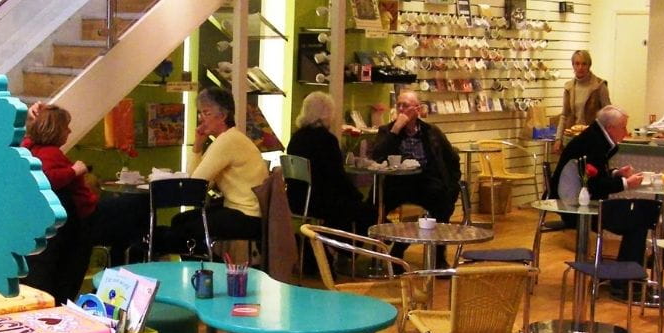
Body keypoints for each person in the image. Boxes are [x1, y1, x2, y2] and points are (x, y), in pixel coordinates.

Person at [21, 103, 146, 301]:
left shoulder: (30, 149)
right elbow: (49, 177)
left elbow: (27, 144)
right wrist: (75, 170)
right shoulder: (50, 154)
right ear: (56, 130)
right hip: (83, 217)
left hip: (78, 218)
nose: (70, 131)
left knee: (128, 214)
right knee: (138, 207)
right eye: (66, 127)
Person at [166, 86, 268, 255]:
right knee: (180, 221)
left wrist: (197, 148)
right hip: (244, 212)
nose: (201, 119)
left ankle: (204, 268)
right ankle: (203, 267)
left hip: (246, 216)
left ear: (222, 116)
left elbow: (194, 186)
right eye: (200, 113)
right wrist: (197, 145)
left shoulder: (227, 141)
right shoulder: (230, 138)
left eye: (206, 113)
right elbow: (197, 182)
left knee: (184, 227)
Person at [286, 91, 375, 235]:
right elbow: (337, 177)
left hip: (296, 200)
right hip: (319, 201)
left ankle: (330, 249)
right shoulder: (327, 140)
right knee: (367, 212)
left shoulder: (296, 138)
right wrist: (356, 195)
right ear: (327, 114)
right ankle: (337, 249)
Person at [370, 91, 461, 225]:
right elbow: (377, 156)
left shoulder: (431, 132)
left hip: (426, 181)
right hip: (397, 183)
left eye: (405, 106)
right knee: (371, 206)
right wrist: (395, 130)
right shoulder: (387, 130)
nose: (401, 109)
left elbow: (452, 159)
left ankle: (437, 243)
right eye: (398, 105)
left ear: (417, 109)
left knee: (441, 200)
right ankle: (394, 239)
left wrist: (452, 187)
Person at [559, 49, 611, 137]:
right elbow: (564, 115)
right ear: (573, 65)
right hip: (572, 137)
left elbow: (608, 114)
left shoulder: (599, 85)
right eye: (577, 63)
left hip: (593, 138)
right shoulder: (569, 87)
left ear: (589, 65)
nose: (580, 67)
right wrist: (558, 139)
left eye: (584, 64)